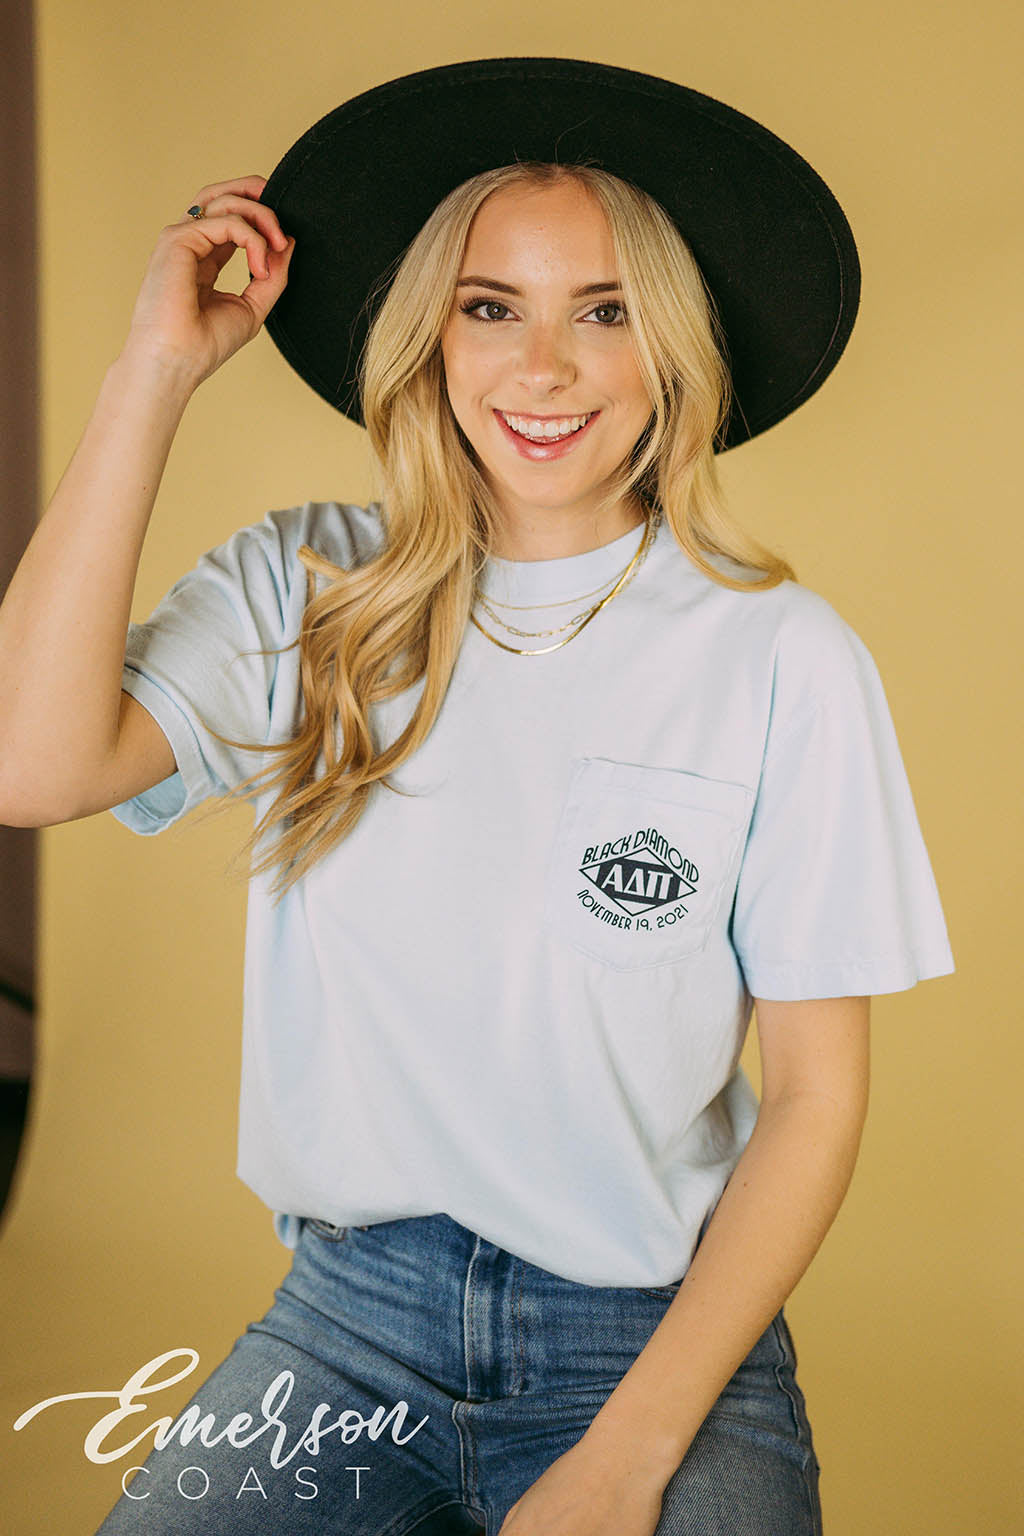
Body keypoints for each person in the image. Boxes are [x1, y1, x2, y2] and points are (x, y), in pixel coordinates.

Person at [0, 57, 954, 1536]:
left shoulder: (782, 653)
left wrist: (628, 1460)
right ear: (429, 339)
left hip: (656, 1331)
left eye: (606, 312)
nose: (544, 367)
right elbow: (27, 764)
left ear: (673, 348)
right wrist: (155, 371)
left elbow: (817, 1099)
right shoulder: (311, 592)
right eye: (491, 306)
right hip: (348, 1324)